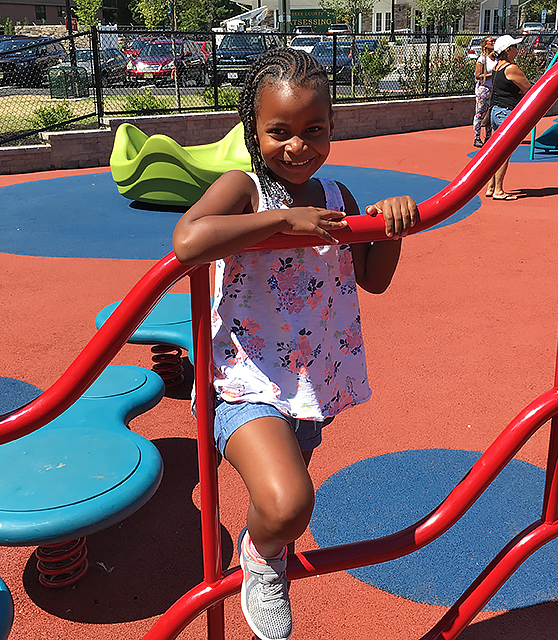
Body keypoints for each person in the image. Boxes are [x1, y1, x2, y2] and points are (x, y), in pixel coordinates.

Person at [172, 47, 418, 640]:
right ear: (255, 131)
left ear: (333, 129)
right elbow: (188, 241)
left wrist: (391, 225)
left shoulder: (338, 199)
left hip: (310, 387)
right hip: (243, 382)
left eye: (314, 130)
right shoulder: (244, 188)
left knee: (282, 501)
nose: (298, 146)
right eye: (279, 131)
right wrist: (283, 223)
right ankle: (261, 558)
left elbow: (374, 279)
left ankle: (264, 538)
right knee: (288, 507)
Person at [485, 34, 533, 201]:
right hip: (506, 113)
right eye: (514, 47)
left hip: (495, 112)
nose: (517, 50)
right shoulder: (511, 68)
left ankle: (491, 187)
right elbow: (529, 89)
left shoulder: (498, 67)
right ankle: (498, 190)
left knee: (496, 152)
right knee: (504, 153)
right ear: (507, 50)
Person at [472, 36, 497, 148]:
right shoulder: (482, 59)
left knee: (490, 113)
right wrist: (492, 75)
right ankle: (477, 137)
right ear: (485, 45)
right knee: (480, 113)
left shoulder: (495, 59)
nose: (493, 43)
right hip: (484, 89)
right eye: (491, 41)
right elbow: (478, 76)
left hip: (493, 89)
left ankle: (488, 137)